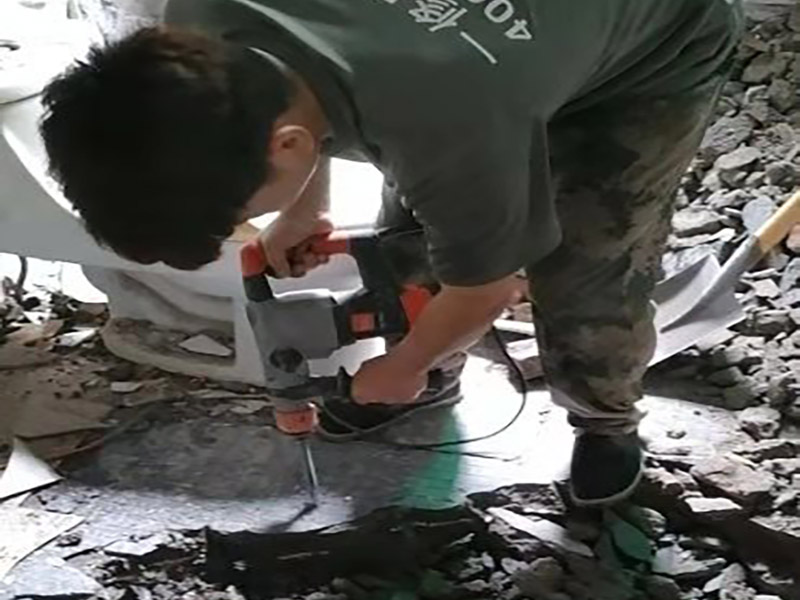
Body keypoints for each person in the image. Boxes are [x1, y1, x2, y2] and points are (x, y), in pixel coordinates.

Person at [39, 0, 743, 506]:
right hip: (477, 69)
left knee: (587, 271)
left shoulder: (444, 117)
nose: (247, 222)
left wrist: (402, 365)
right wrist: (303, 207)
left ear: (286, 146)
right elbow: (289, 93)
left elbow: (487, 288)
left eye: (241, 212)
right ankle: (432, 377)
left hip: (648, 54)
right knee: (416, 241)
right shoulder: (197, 25)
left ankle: (605, 422)